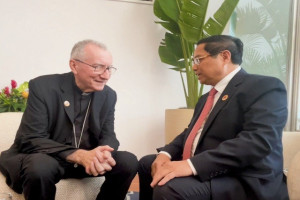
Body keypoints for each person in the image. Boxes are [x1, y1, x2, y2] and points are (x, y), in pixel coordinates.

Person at [138, 35, 289, 200]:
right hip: (209, 168)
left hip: (241, 177)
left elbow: (257, 141)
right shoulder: (206, 98)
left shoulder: (264, 87)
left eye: (198, 60)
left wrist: (191, 165)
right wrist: (165, 154)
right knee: (148, 164)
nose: (194, 67)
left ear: (225, 56)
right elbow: (191, 132)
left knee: (169, 188)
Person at [0, 39, 138, 200]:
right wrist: (78, 155)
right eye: (98, 67)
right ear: (74, 65)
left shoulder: (108, 95)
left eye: (109, 68)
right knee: (40, 166)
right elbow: (31, 138)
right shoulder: (43, 87)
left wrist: (104, 152)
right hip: (47, 158)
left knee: (128, 161)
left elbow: (108, 134)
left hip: (84, 161)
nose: (105, 75)